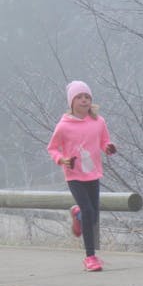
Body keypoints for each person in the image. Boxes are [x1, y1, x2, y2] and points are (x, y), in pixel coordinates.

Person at [47, 80, 116, 272]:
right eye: (79, 97)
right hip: (74, 174)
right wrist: (61, 160)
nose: (84, 100)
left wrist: (109, 148)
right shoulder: (63, 126)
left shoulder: (98, 121)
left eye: (87, 97)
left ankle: (76, 213)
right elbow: (52, 148)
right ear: (71, 102)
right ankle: (90, 257)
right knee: (89, 212)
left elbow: (104, 142)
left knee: (92, 215)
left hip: (93, 173)